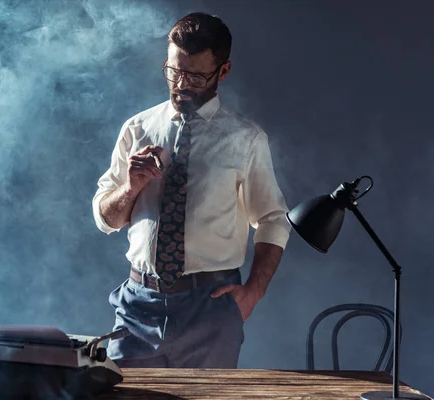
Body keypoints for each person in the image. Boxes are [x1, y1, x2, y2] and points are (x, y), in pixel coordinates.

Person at [92, 12, 290, 369]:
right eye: (173, 71)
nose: (181, 84)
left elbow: (273, 220)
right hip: (138, 306)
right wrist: (131, 186)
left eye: (196, 75)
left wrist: (253, 292)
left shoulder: (245, 140)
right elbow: (107, 219)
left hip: (210, 307)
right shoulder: (137, 129)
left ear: (223, 72)